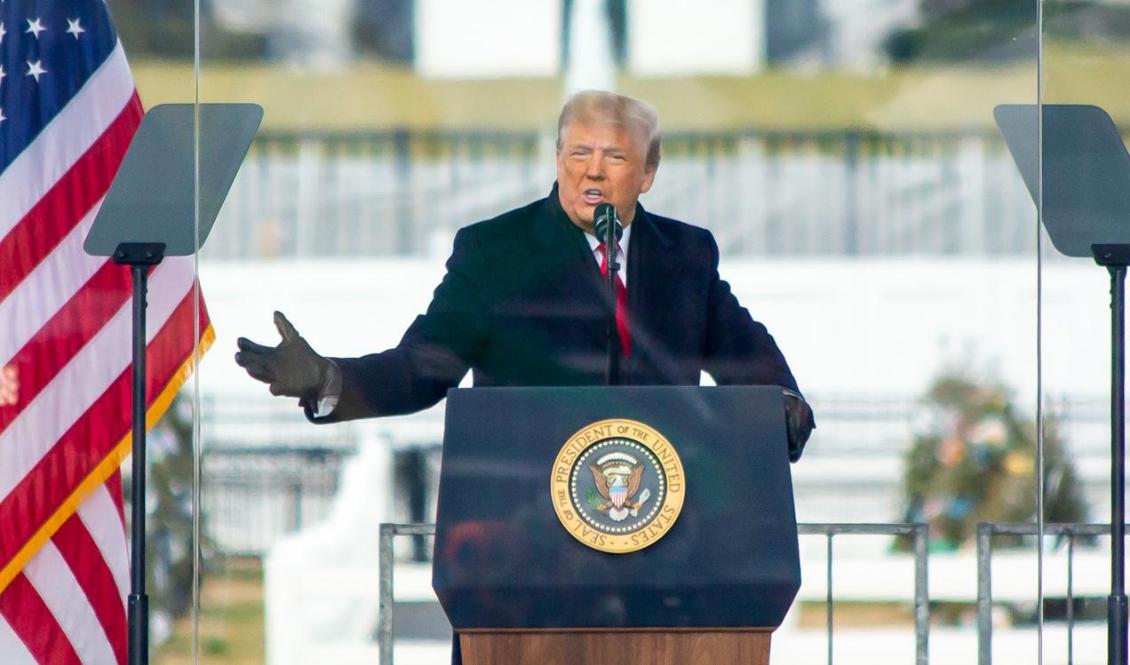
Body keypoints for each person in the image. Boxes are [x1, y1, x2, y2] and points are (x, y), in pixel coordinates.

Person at [235, 90, 814, 460]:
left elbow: (745, 354)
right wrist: (327, 378)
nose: (593, 172)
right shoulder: (494, 251)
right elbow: (423, 367)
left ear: (648, 174)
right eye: (577, 153)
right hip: (523, 528)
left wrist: (782, 401)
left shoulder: (685, 255)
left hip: (662, 521)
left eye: (613, 158)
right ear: (557, 159)